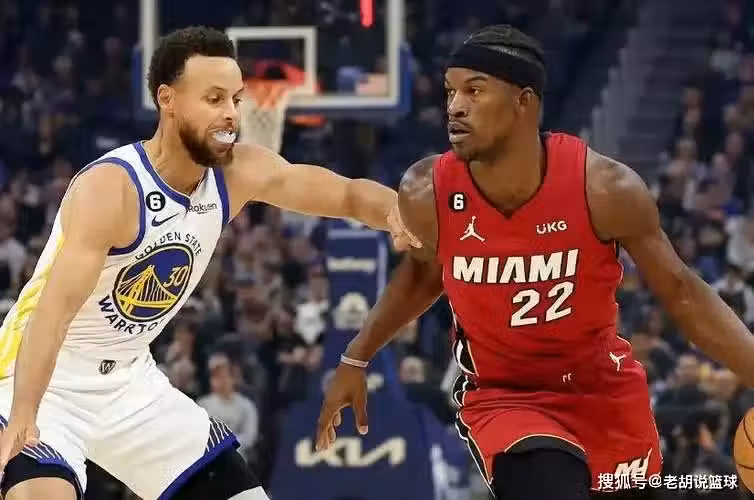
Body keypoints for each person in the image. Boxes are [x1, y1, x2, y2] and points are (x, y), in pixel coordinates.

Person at [316, 25, 754, 500]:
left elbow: (683, 293)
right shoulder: (427, 192)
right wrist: (355, 356)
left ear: (523, 102)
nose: (454, 106)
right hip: (507, 398)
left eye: (474, 90)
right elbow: (424, 274)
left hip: (602, 392)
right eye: (450, 91)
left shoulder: (605, 189)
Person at [0, 26, 414, 500]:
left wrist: (405, 213)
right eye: (214, 99)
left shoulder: (237, 173)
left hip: (129, 380)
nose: (231, 113)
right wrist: (24, 414)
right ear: (168, 100)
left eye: (235, 99)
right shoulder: (112, 188)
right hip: (41, 377)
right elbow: (52, 315)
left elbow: (346, 195)